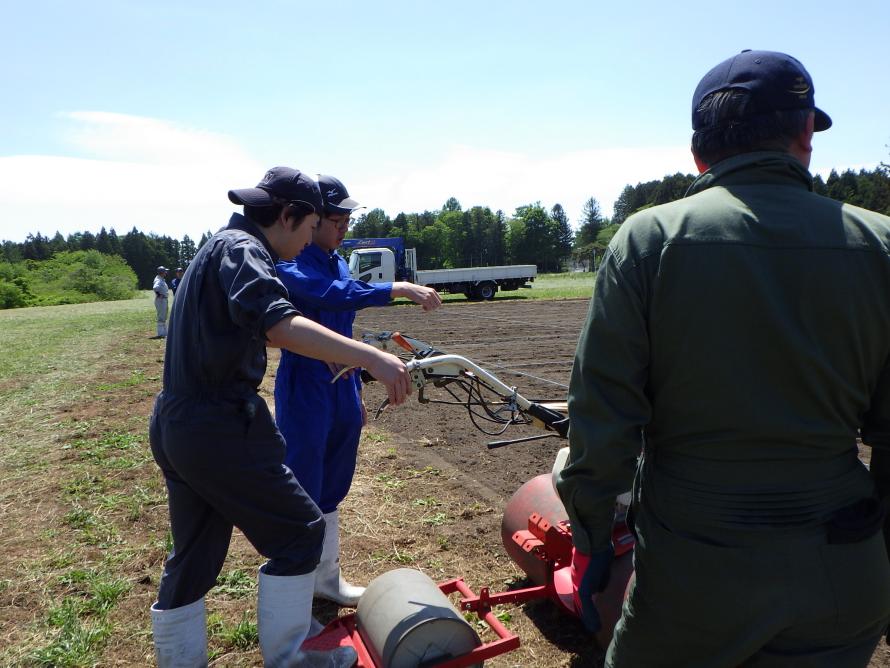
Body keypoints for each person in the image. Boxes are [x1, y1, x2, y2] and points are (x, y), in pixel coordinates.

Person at [556, 50, 890, 667]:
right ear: (803, 138)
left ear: (699, 153)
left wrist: (592, 537)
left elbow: (603, 422)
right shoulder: (879, 243)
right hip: (843, 568)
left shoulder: (650, 240)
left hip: (695, 574)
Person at [149, 166, 412, 668]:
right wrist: (370, 356)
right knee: (299, 533)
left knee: (195, 556)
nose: (313, 236)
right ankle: (292, 658)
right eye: (311, 224)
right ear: (288, 215)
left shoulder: (217, 246)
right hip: (219, 423)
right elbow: (277, 323)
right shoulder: (244, 250)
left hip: (177, 421)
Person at [274, 174, 441, 609]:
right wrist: (396, 288)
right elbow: (331, 295)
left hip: (342, 384)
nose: (344, 225)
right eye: (336, 218)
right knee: (305, 482)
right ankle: (296, 590)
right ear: (313, 221)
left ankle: (326, 578)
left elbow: (342, 311)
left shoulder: (335, 259)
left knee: (334, 480)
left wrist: (355, 398)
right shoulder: (296, 260)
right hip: (306, 385)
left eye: (348, 217)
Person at [152, 266, 169, 338]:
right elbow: (155, 287)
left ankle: (164, 333)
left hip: (163, 299)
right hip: (161, 300)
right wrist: (159, 294)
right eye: (165, 271)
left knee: (163, 316)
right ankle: (161, 334)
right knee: (161, 317)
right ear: (162, 272)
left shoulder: (161, 279)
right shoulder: (158, 280)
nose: (166, 272)